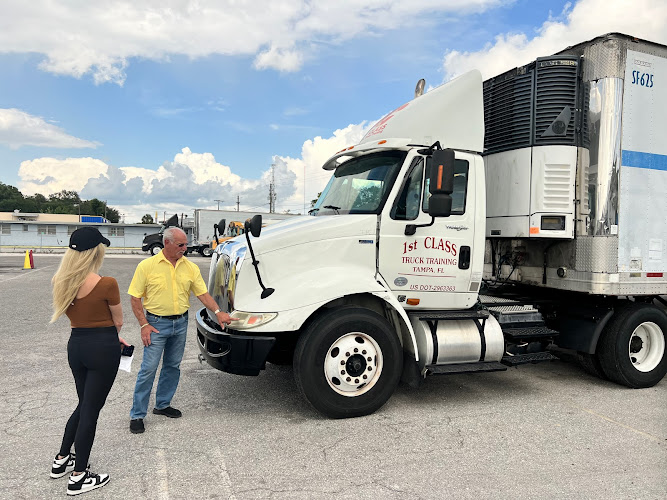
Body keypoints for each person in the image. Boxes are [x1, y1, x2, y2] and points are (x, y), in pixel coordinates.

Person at [128, 227, 234, 433]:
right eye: (181, 245)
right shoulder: (147, 266)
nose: (185, 248)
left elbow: (202, 294)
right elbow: (135, 297)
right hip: (156, 324)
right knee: (148, 369)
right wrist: (144, 324)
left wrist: (218, 311)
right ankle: (137, 415)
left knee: (172, 366)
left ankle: (162, 405)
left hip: (180, 324)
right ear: (166, 243)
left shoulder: (190, 267)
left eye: (186, 244)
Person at [50, 227, 129, 496]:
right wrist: (111, 339)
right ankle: (79, 476)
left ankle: (62, 459)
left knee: (84, 404)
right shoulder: (106, 283)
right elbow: (118, 321)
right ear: (95, 251)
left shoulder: (61, 280)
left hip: (77, 346)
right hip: (102, 348)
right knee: (90, 411)